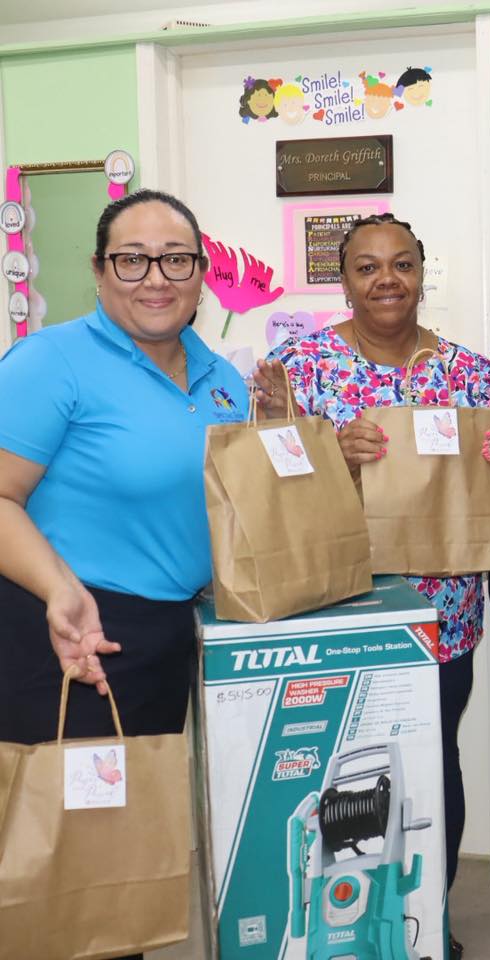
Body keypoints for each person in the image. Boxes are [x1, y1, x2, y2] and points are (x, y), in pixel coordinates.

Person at [0, 189, 248, 960]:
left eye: (175, 259)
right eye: (132, 260)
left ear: (201, 271)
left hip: (165, 635)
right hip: (64, 631)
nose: (155, 278)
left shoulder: (222, 379)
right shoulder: (52, 361)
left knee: (119, 851)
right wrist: (59, 590)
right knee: (60, 851)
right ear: (100, 269)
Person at [255, 212, 490, 960]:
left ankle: (428, 917)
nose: (386, 280)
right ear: (344, 281)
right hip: (334, 606)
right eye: (367, 267)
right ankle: (343, 927)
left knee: (431, 762)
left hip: (441, 613)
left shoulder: (469, 373)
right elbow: (264, 485)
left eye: (401, 264)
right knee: (341, 775)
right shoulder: (301, 368)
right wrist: (329, 451)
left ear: (422, 273)